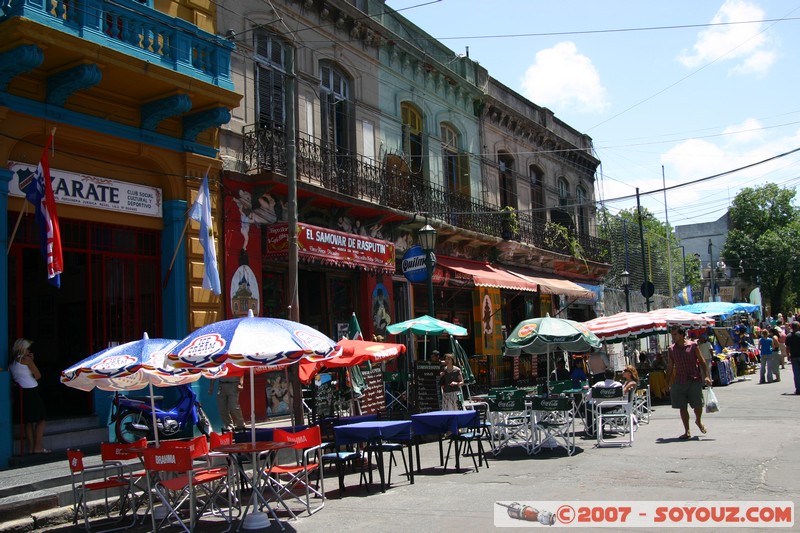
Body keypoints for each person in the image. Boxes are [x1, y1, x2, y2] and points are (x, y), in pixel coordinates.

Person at [666, 326, 712, 440]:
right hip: (679, 381)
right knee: (682, 407)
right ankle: (687, 431)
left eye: (675, 334)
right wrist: (667, 382)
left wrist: (707, 376)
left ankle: (698, 420)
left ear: (682, 335)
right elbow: (670, 366)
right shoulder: (671, 349)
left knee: (698, 405)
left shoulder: (693, 346)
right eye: (672, 335)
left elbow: (701, 361)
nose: (673, 337)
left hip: (694, 379)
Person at [9, 339, 49, 454]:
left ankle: (31, 447)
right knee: (41, 419)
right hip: (31, 390)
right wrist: (32, 360)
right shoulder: (26, 360)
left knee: (28, 421)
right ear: (22, 349)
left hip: (21, 392)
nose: (28, 350)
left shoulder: (12, 362)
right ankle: (38, 447)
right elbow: (38, 375)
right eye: (27, 348)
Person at [784, 321, 800, 395]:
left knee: (796, 374)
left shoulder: (788, 336)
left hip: (793, 356)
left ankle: (798, 389)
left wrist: (788, 356)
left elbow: (787, 347)